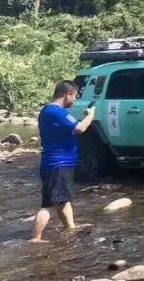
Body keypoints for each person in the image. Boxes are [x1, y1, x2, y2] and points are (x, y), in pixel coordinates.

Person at [31, 80, 96, 242]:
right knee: (48, 204)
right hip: (57, 164)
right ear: (67, 94)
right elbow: (80, 128)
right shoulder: (56, 112)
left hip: (58, 163)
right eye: (74, 96)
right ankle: (35, 238)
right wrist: (90, 116)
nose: (74, 99)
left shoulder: (48, 110)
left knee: (63, 199)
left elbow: (68, 128)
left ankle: (71, 227)